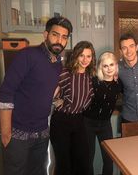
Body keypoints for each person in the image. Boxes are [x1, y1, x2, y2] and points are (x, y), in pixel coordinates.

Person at [0, 16, 73, 175]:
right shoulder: (27, 55)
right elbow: (6, 92)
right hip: (18, 133)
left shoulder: (58, 64)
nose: (59, 40)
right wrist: (5, 131)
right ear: (45, 35)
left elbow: (44, 91)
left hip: (42, 132)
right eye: (55, 35)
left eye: (64, 37)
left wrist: (57, 99)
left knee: (37, 172)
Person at [50, 41, 96, 175]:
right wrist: (56, 100)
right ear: (76, 55)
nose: (85, 59)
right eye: (82, 55)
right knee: (64, 164)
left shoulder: (89, 76)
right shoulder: (66, 73)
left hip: (79, 120)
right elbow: (49, 91)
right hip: (61, 121)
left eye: (88, 56)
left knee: (82, 161)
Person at [84, 52, 122, 175]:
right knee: (88, 158)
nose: (109, 68)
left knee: (108, 157)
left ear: (116, 66)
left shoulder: (118, 83)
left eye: (111, 65)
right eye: (105, 66)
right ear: (101, 67)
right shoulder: (93, 82)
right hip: (88, 123)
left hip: (105, 124)